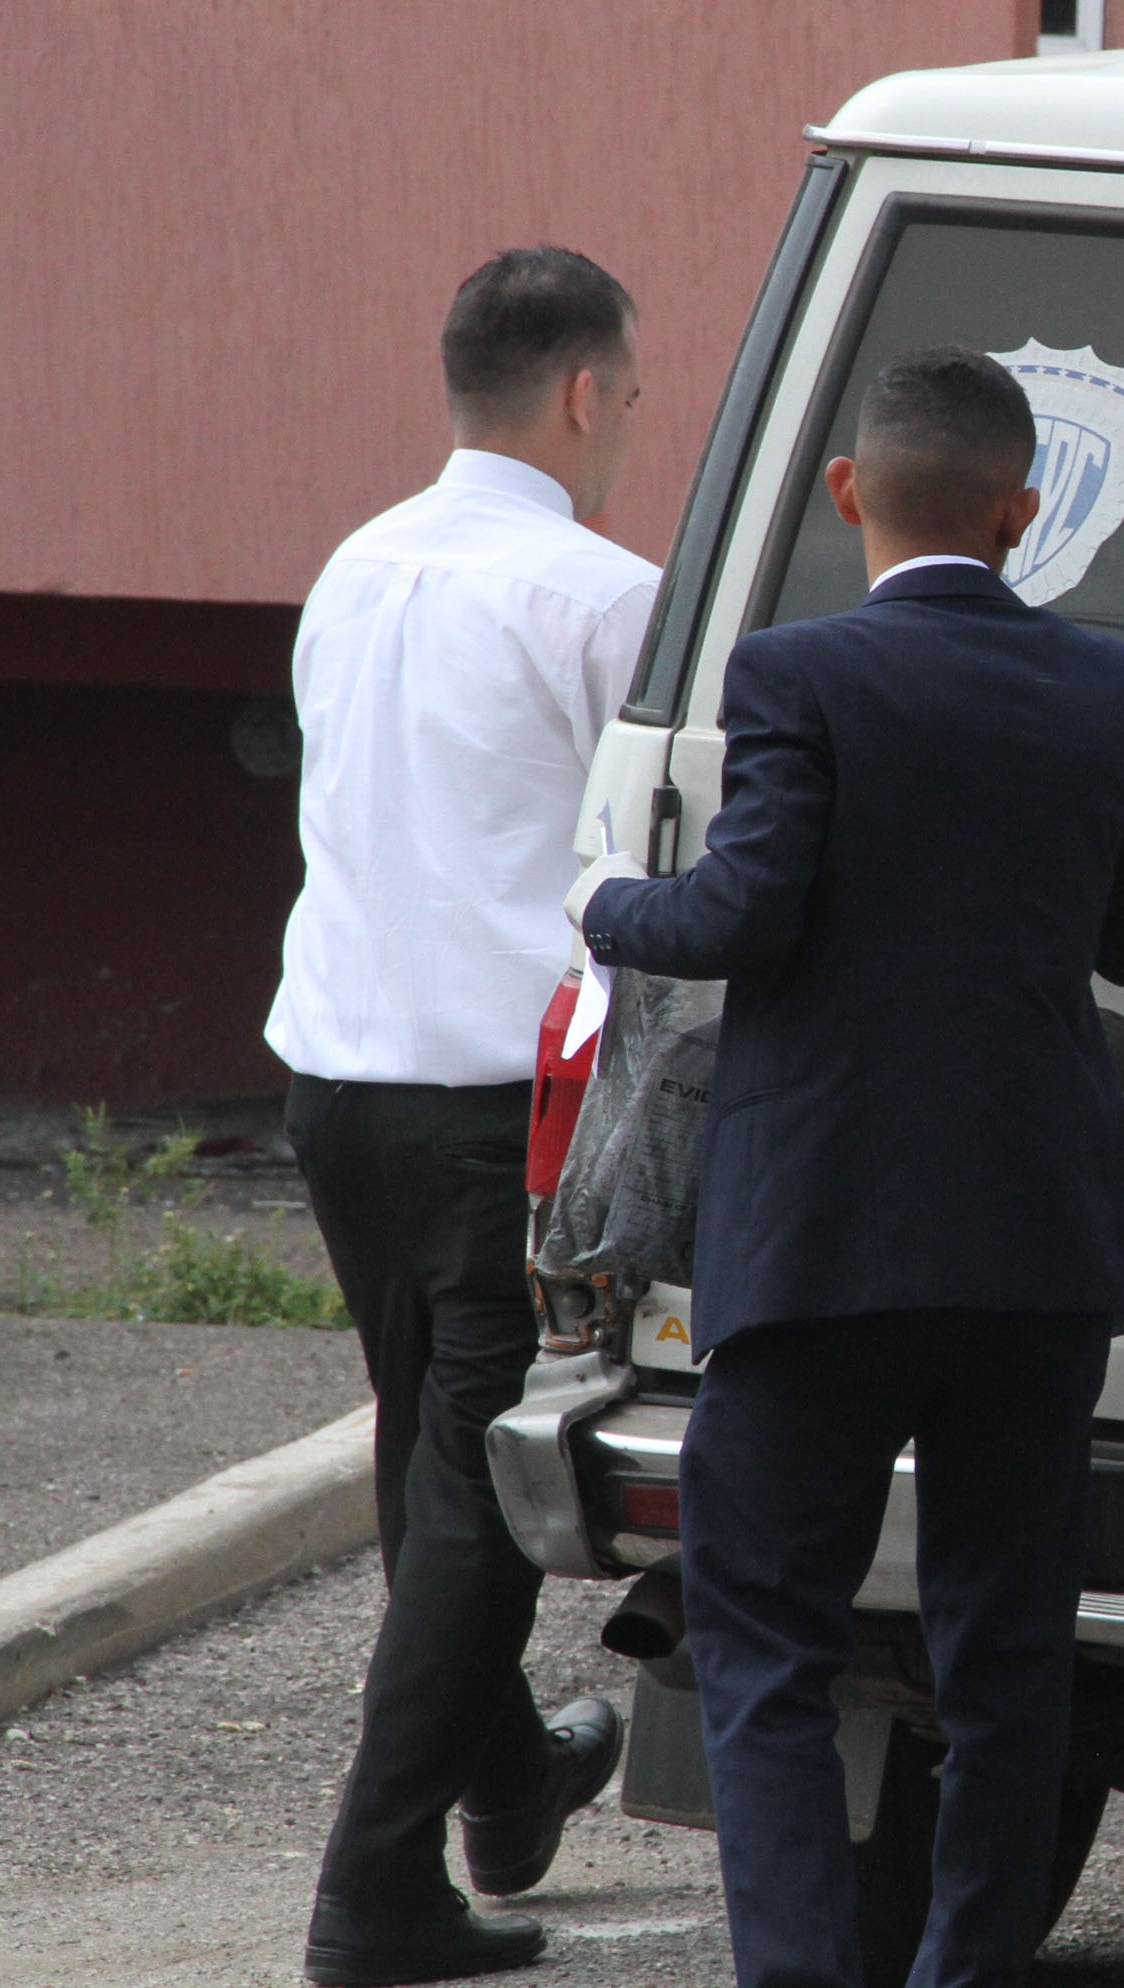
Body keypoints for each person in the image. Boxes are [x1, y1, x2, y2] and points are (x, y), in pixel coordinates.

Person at [571, 346, 1124, 1988]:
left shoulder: (797, 674)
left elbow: (741, 916)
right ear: (1024, 511)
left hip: (825, 1231)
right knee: (1008, 1654)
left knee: (765, 1645)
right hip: (1037, 1243)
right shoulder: (1121, 692)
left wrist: (608, 905)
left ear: (851, 491)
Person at [270, 247, 653, 1985]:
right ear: (582, 395)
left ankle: (511, 1779)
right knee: (481, 1493)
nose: (628, 429)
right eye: (629, 401)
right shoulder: (601, 595)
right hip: (501, 1103)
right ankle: (375, 1894)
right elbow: (652, 857)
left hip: (337, 1085)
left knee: (423, 1444)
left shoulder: (352, 567)